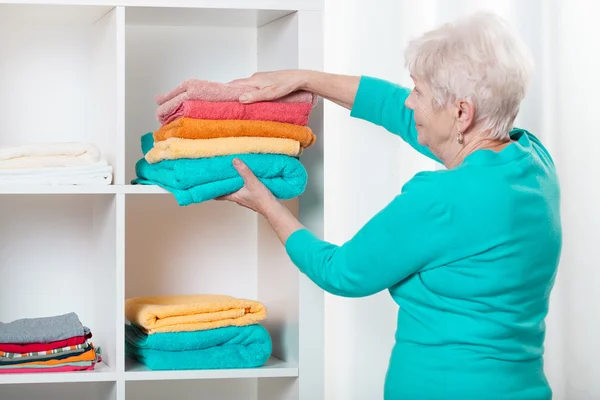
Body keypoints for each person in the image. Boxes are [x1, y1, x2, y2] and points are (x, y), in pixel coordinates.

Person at [218, 11, 561, 400]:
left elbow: (343, 272)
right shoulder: (533, 162)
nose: (410, 101)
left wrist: (267, 205)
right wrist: (304, 79)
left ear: (461, 113)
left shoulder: (441, 198)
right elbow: (399, 111)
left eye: (418, 91)